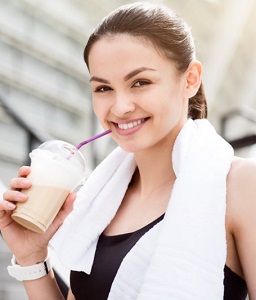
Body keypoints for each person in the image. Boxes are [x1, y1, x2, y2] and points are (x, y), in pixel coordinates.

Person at [0, 2, 256, 299]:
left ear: (190, 79)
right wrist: (32, 257)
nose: (120, 108)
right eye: (103, 88)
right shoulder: (100, 198)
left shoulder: (241, 187)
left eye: (140, 82)